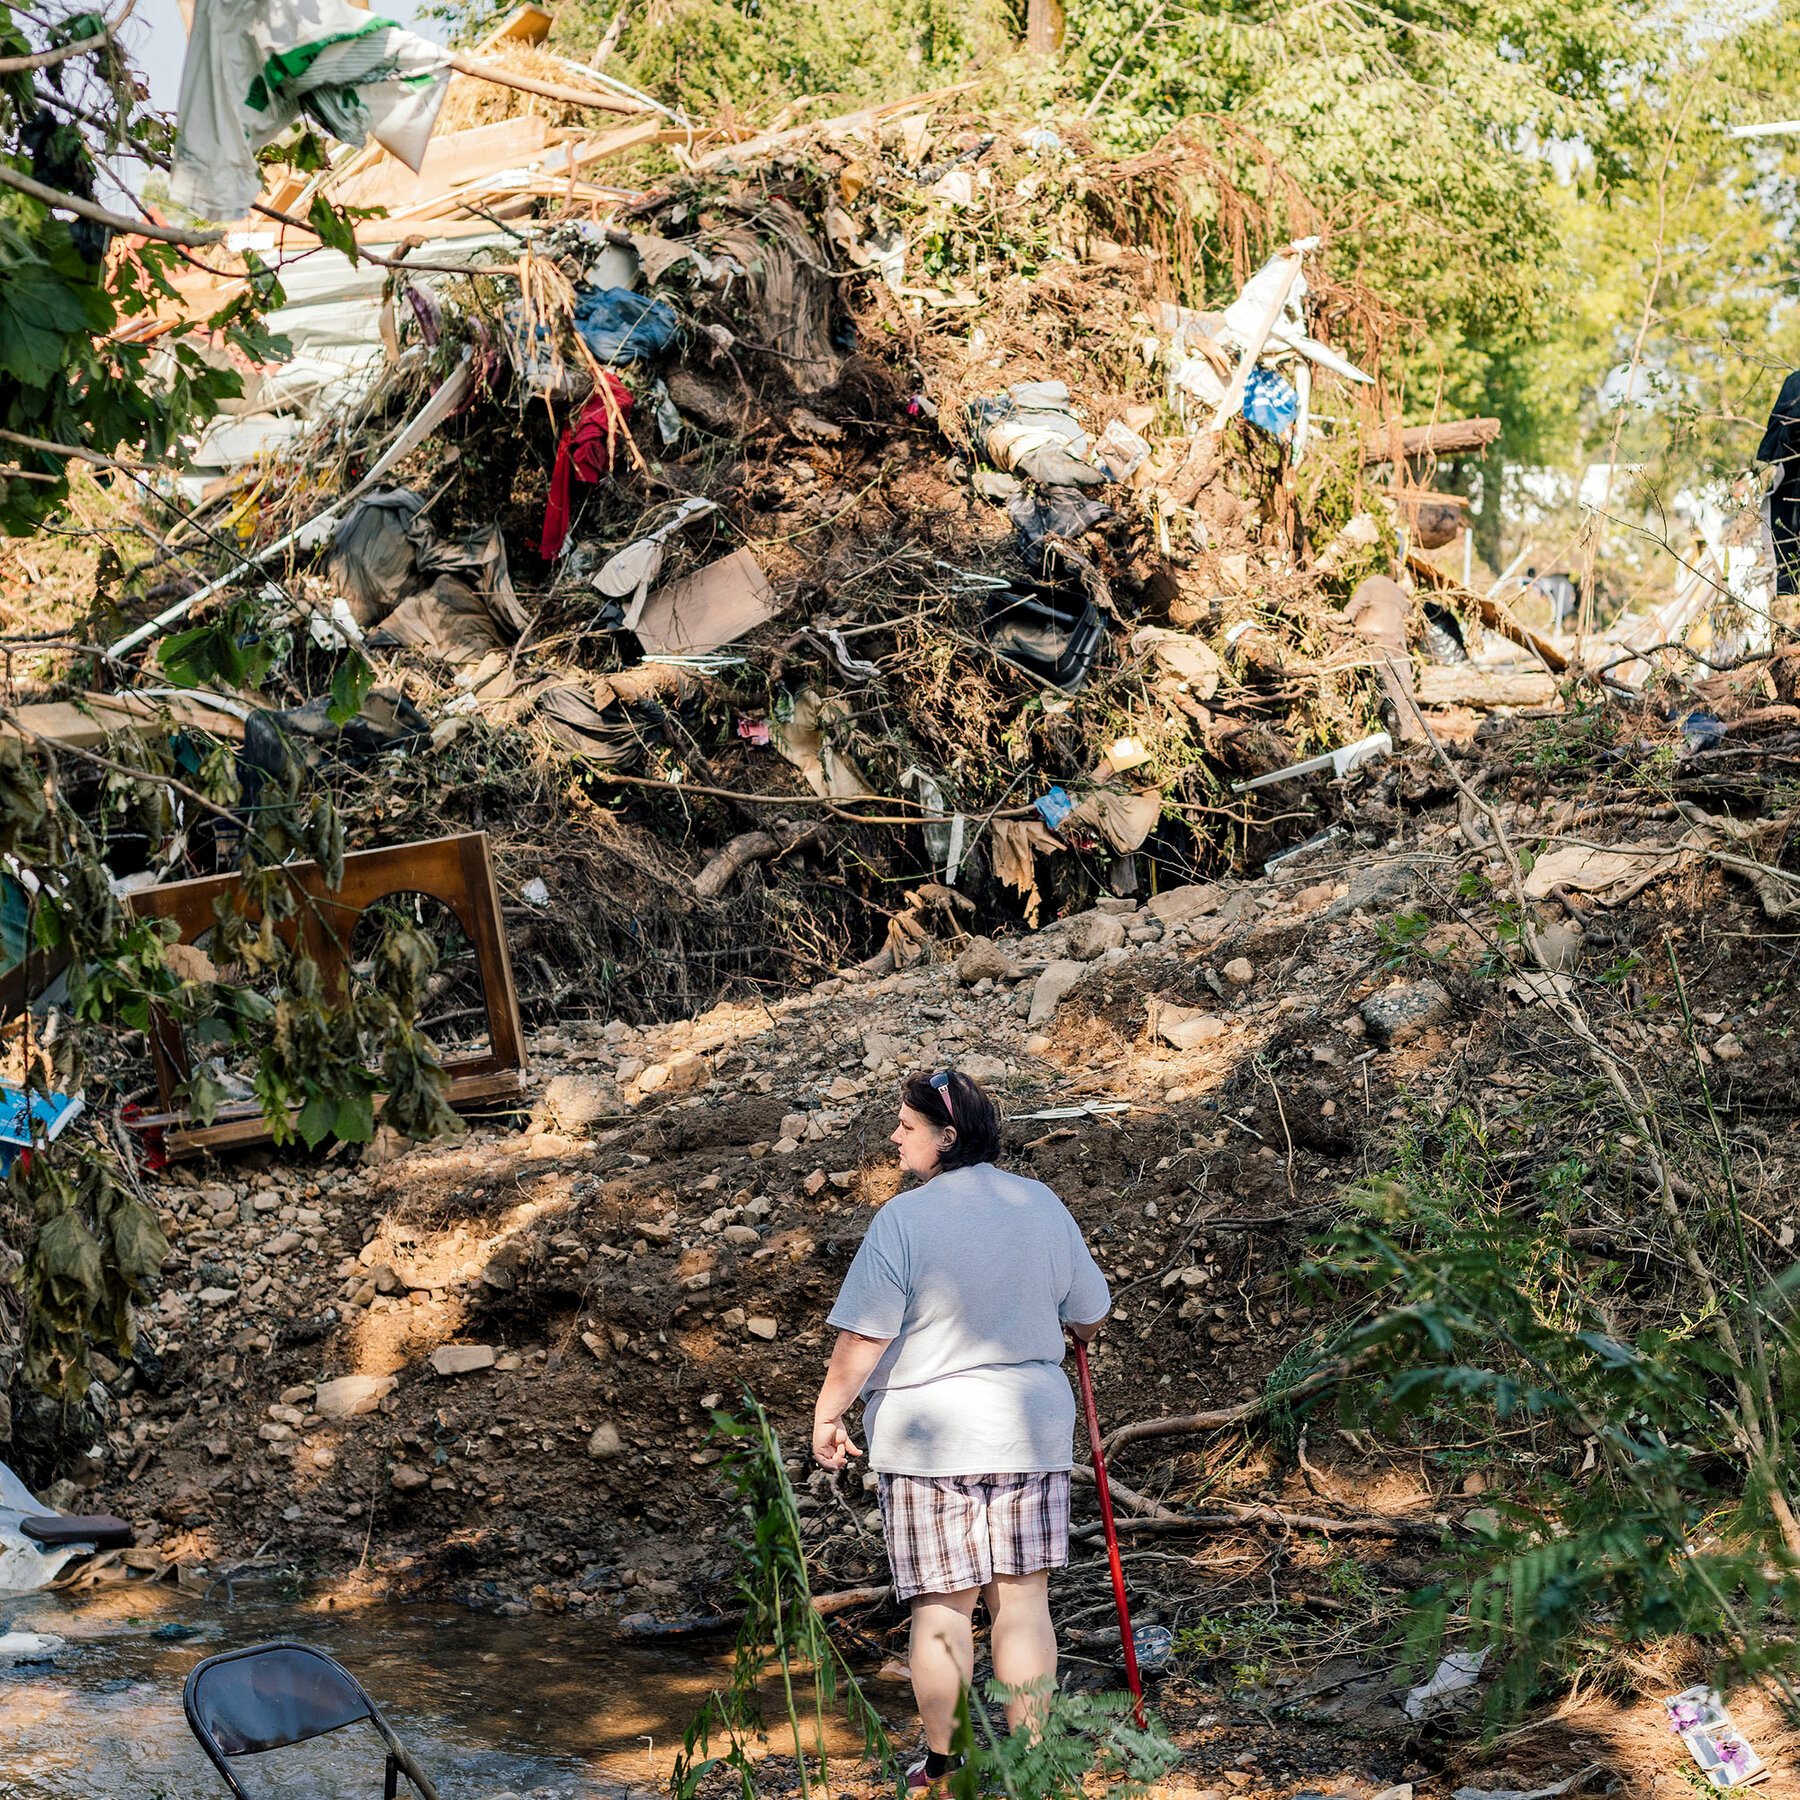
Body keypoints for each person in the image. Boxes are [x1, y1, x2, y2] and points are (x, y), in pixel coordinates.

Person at [812, 1067, 1111, 1795]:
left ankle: (944, 1766)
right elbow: (1091, 1312)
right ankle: (1033, 1758)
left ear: (947, 1137)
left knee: (942, 1608)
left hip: (929, 1442)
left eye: (906, 1126)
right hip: (1028, 1433)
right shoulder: (1040, 1204)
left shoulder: (903, 1220)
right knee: (1024, 1602)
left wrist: (827, 1414)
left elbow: (864, 1337)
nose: (894, 1137)